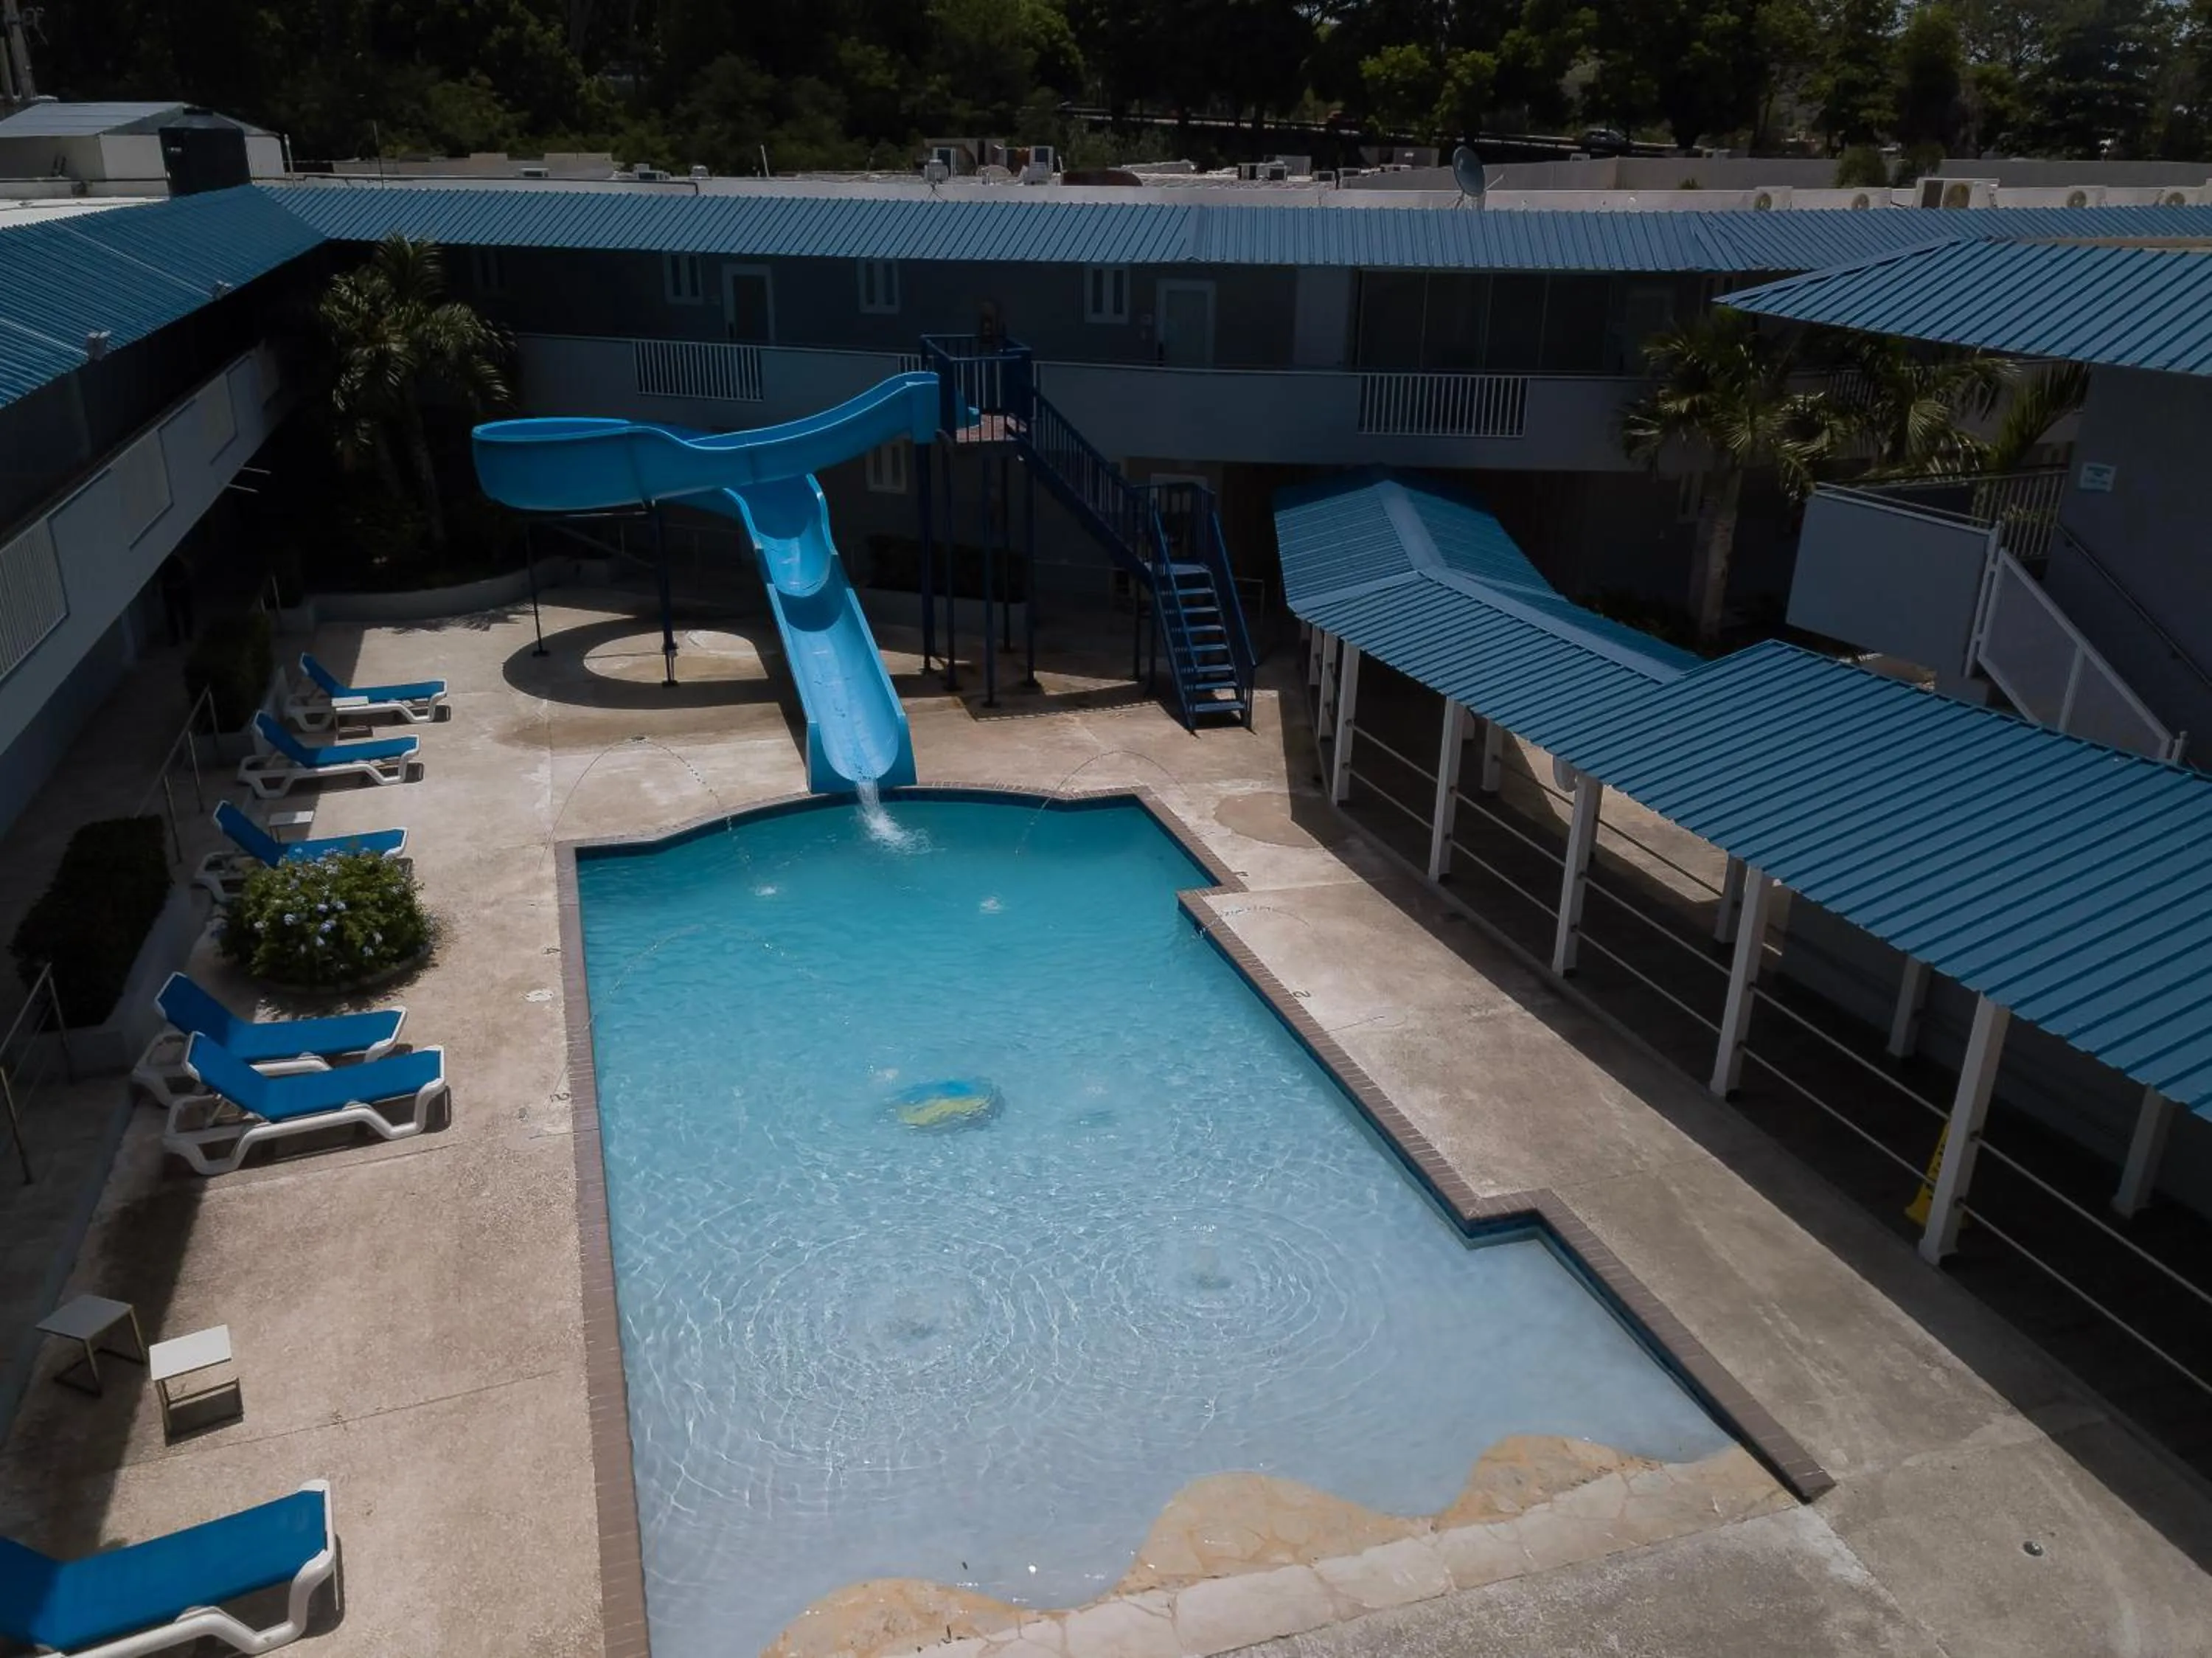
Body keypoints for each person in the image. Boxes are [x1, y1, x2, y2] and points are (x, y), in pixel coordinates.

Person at [159, 552, 196, 645]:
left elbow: (188, 567)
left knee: (185, 612)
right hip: (171, 588)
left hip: (180, 586)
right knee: (173, 615)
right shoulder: (164, 559)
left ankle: (187, 634)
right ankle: (177, 637)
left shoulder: (178, 557)